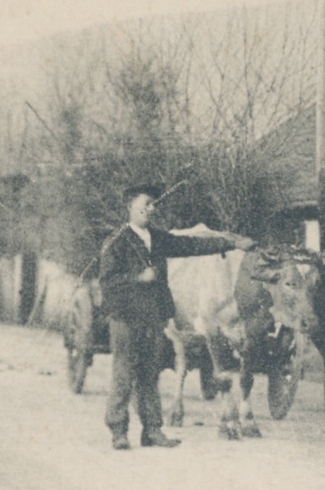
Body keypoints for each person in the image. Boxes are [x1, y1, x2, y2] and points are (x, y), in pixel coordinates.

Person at [98, 184, 253, 451]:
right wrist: (138, 278)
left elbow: (192, 245)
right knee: (124, 374)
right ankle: (118, 431)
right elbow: (107, 283)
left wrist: (231, 242)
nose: (150, 209)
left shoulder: (159, 239)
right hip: (125, 318)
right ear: (130, 207)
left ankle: (153, 431)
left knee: (149, 375)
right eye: (144, 204)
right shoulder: (116, 242)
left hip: (152, 318)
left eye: (152, 205)